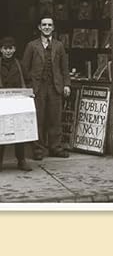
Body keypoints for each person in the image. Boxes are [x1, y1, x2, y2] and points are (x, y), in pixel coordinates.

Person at [22, 16, 71, 160]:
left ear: (53, 27)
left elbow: (64, 67)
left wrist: (66, 84)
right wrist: (29, 86)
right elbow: (25, 68)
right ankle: (38, 149)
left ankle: (55, 147)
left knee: (55, 118)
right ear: (39, 27)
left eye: (49, 25)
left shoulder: (59, 45)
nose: (47, 27)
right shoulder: (32, 46)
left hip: (55, 86)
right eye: (44, 25)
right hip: (38, 88)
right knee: (38, 118)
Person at [0, 36, 32, 172]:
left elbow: (29, 81)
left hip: (18, 103)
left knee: (20, 132)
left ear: (14, 49)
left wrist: (30, 92)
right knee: (1, 133)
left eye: (10, 48)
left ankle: (21, 160)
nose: (8, 51)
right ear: (1, 50)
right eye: (5, 48)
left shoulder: (20, 65)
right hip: (1, 103)